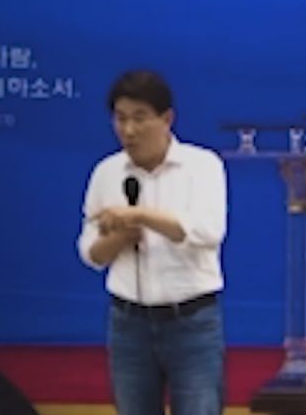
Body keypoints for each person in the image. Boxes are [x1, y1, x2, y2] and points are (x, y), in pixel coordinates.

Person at [77, 70, 227, 415]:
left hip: (192, 322)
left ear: (166, 119)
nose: (129, 130)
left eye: (140, 118)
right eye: (120, 119)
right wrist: (119, 238)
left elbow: (207, 232)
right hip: (128, 324)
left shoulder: (202, 166)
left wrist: (140, 216)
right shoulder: (106, 172)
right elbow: (90, 253)